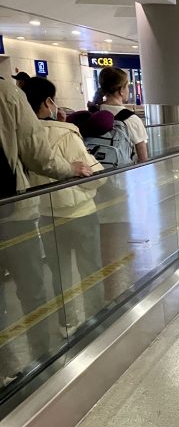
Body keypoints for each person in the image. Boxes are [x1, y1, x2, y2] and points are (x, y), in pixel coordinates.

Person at [0, 78, 92, 385]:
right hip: (14, 213)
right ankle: (44, 359)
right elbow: (37, 153)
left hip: (28, 214)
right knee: (32, 288)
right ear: (48, 102)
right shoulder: (7, 93)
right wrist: (71, 170)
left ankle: (6, 367)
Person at [21, 77, 105, 332]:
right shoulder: (66, 133)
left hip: (46, 215)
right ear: (48, 102)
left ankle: (66, 321)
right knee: (90, 269)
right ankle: (96, 316)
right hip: (80, 212)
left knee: (59, 274)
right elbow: (93, 177)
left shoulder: (24, 137)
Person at [92, 66, 149, 163]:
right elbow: (143, 159)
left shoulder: (93, 113)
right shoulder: (131, 119)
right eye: (127, 86)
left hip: (94, 172)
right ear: (121, 91)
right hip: (121, 174)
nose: (128, 89)